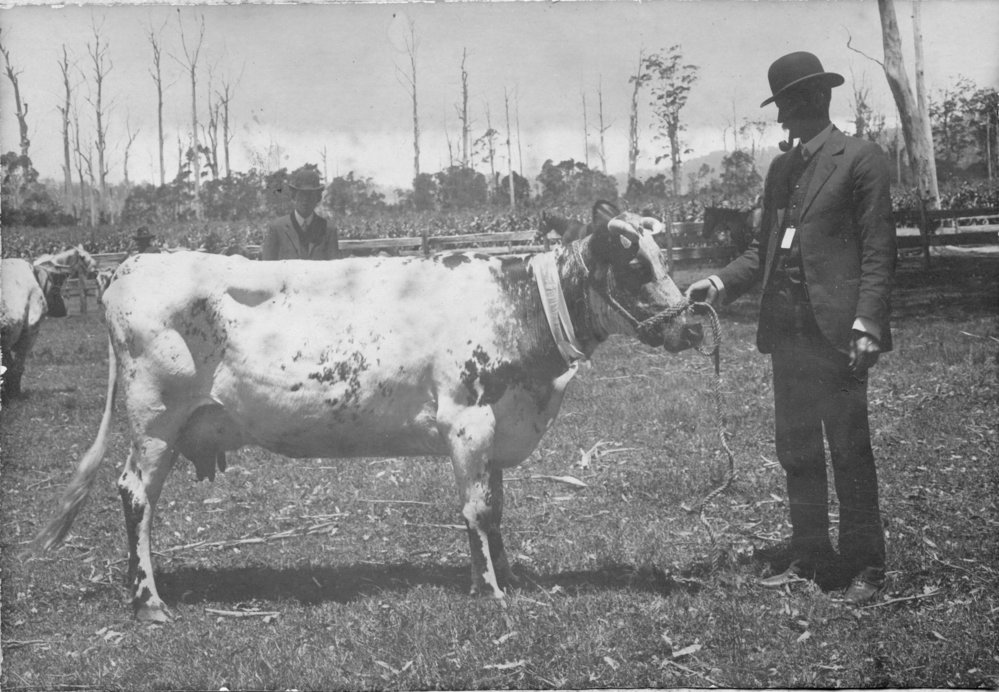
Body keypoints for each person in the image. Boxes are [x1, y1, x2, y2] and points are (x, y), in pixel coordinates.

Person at [686, 51, 896, 605]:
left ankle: (866, 565)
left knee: (849, 449)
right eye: (780, 106)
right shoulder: (782, 171)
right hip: (788, 335)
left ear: (816, 100)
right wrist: (719, 282)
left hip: (838, 334)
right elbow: (762, 251)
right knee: (797, 448)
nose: (782, 119)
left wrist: (867, 322)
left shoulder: (861, 159)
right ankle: (810, 555)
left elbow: (878, 251)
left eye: (789, 105)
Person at [262, 166, 340, 261]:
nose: (305, 200)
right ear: (294, 196)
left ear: (317, 198)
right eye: (301, 194)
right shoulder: (276, 228)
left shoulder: (328, 230)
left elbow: (334, 270)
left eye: (310, 195)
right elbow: (267, 267)